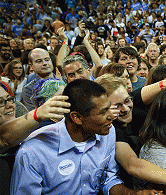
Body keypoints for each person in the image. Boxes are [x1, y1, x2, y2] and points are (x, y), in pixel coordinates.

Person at [10, 80, 148, 194]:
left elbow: (108, 180)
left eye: (109, 108)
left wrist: (134, 193)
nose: (112, 116)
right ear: (76, 117)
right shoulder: (33, 152)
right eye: (103, 112)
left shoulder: (108, 132)